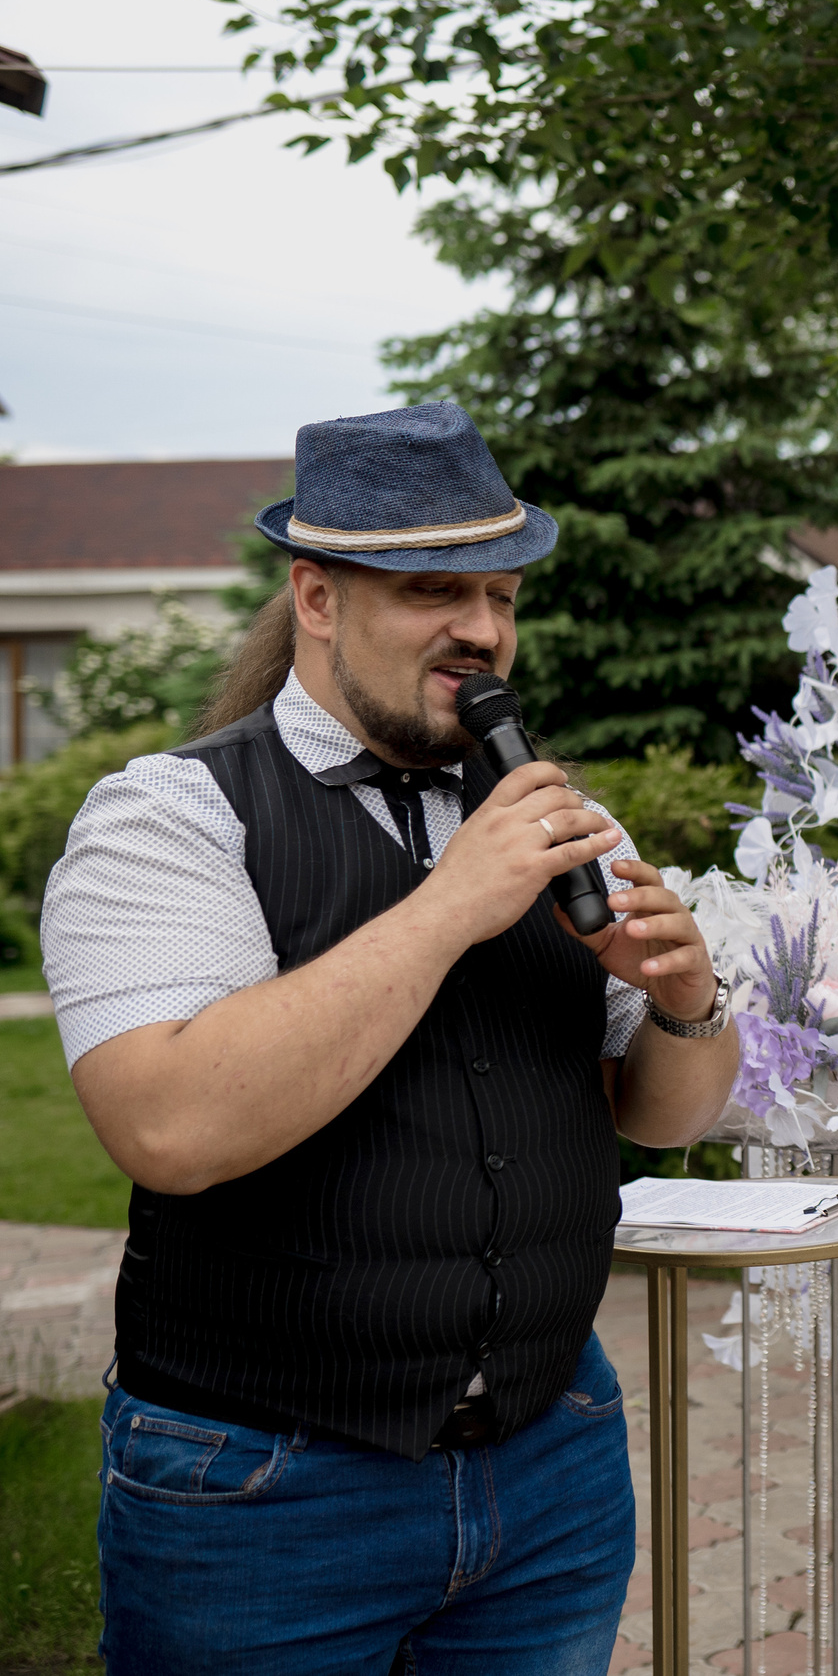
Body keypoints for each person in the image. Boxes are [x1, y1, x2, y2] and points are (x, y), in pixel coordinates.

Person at [41, 401, 741, 1675]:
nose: (483, 631)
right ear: (316, 597)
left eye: (499, 592)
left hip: (554, 1471)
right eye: (433, 591)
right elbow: (171, 1127)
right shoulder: (168, 818)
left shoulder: (557, 816)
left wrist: (689, 1003)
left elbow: (663, 1115)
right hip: (262, 1500)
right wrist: (448, 910)